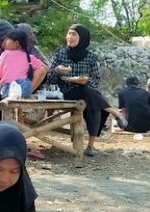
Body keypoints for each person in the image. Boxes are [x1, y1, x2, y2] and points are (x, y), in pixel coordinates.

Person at [46, 24, 128, 157]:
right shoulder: (60, 54)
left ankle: (90, 147)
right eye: (69, 33)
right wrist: (57, 70)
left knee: (91, 100)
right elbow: (49, 79)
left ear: (82, 38)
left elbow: (96, 80)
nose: (70, 37)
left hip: (85, 92)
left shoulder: (91, 57)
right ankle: (115, 113)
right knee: (90, 95)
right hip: (66, 93)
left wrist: (86, 81)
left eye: (74, 34)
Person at [0, 27, 48, 99]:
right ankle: (28, 93)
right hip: (23, 89)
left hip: (7, 91)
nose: (5, 41)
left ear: (16, 43)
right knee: (42, 70)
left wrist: (2, 85)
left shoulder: (4, 55)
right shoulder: (29, 57)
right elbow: (44, 68)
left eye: (8, 39)